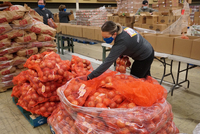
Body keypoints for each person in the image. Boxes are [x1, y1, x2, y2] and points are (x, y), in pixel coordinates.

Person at [87, 21, 154, 80]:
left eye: (107, 37)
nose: (105, 39)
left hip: (145, 56)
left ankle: (145, 92)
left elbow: (107, 62)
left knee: (134, 79)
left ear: (114, 34)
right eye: (103, 37)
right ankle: (152, 91)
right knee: (146, 77)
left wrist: (90, 76)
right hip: (148, 48)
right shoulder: (120, 29)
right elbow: (130, 41)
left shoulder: (122, 41)